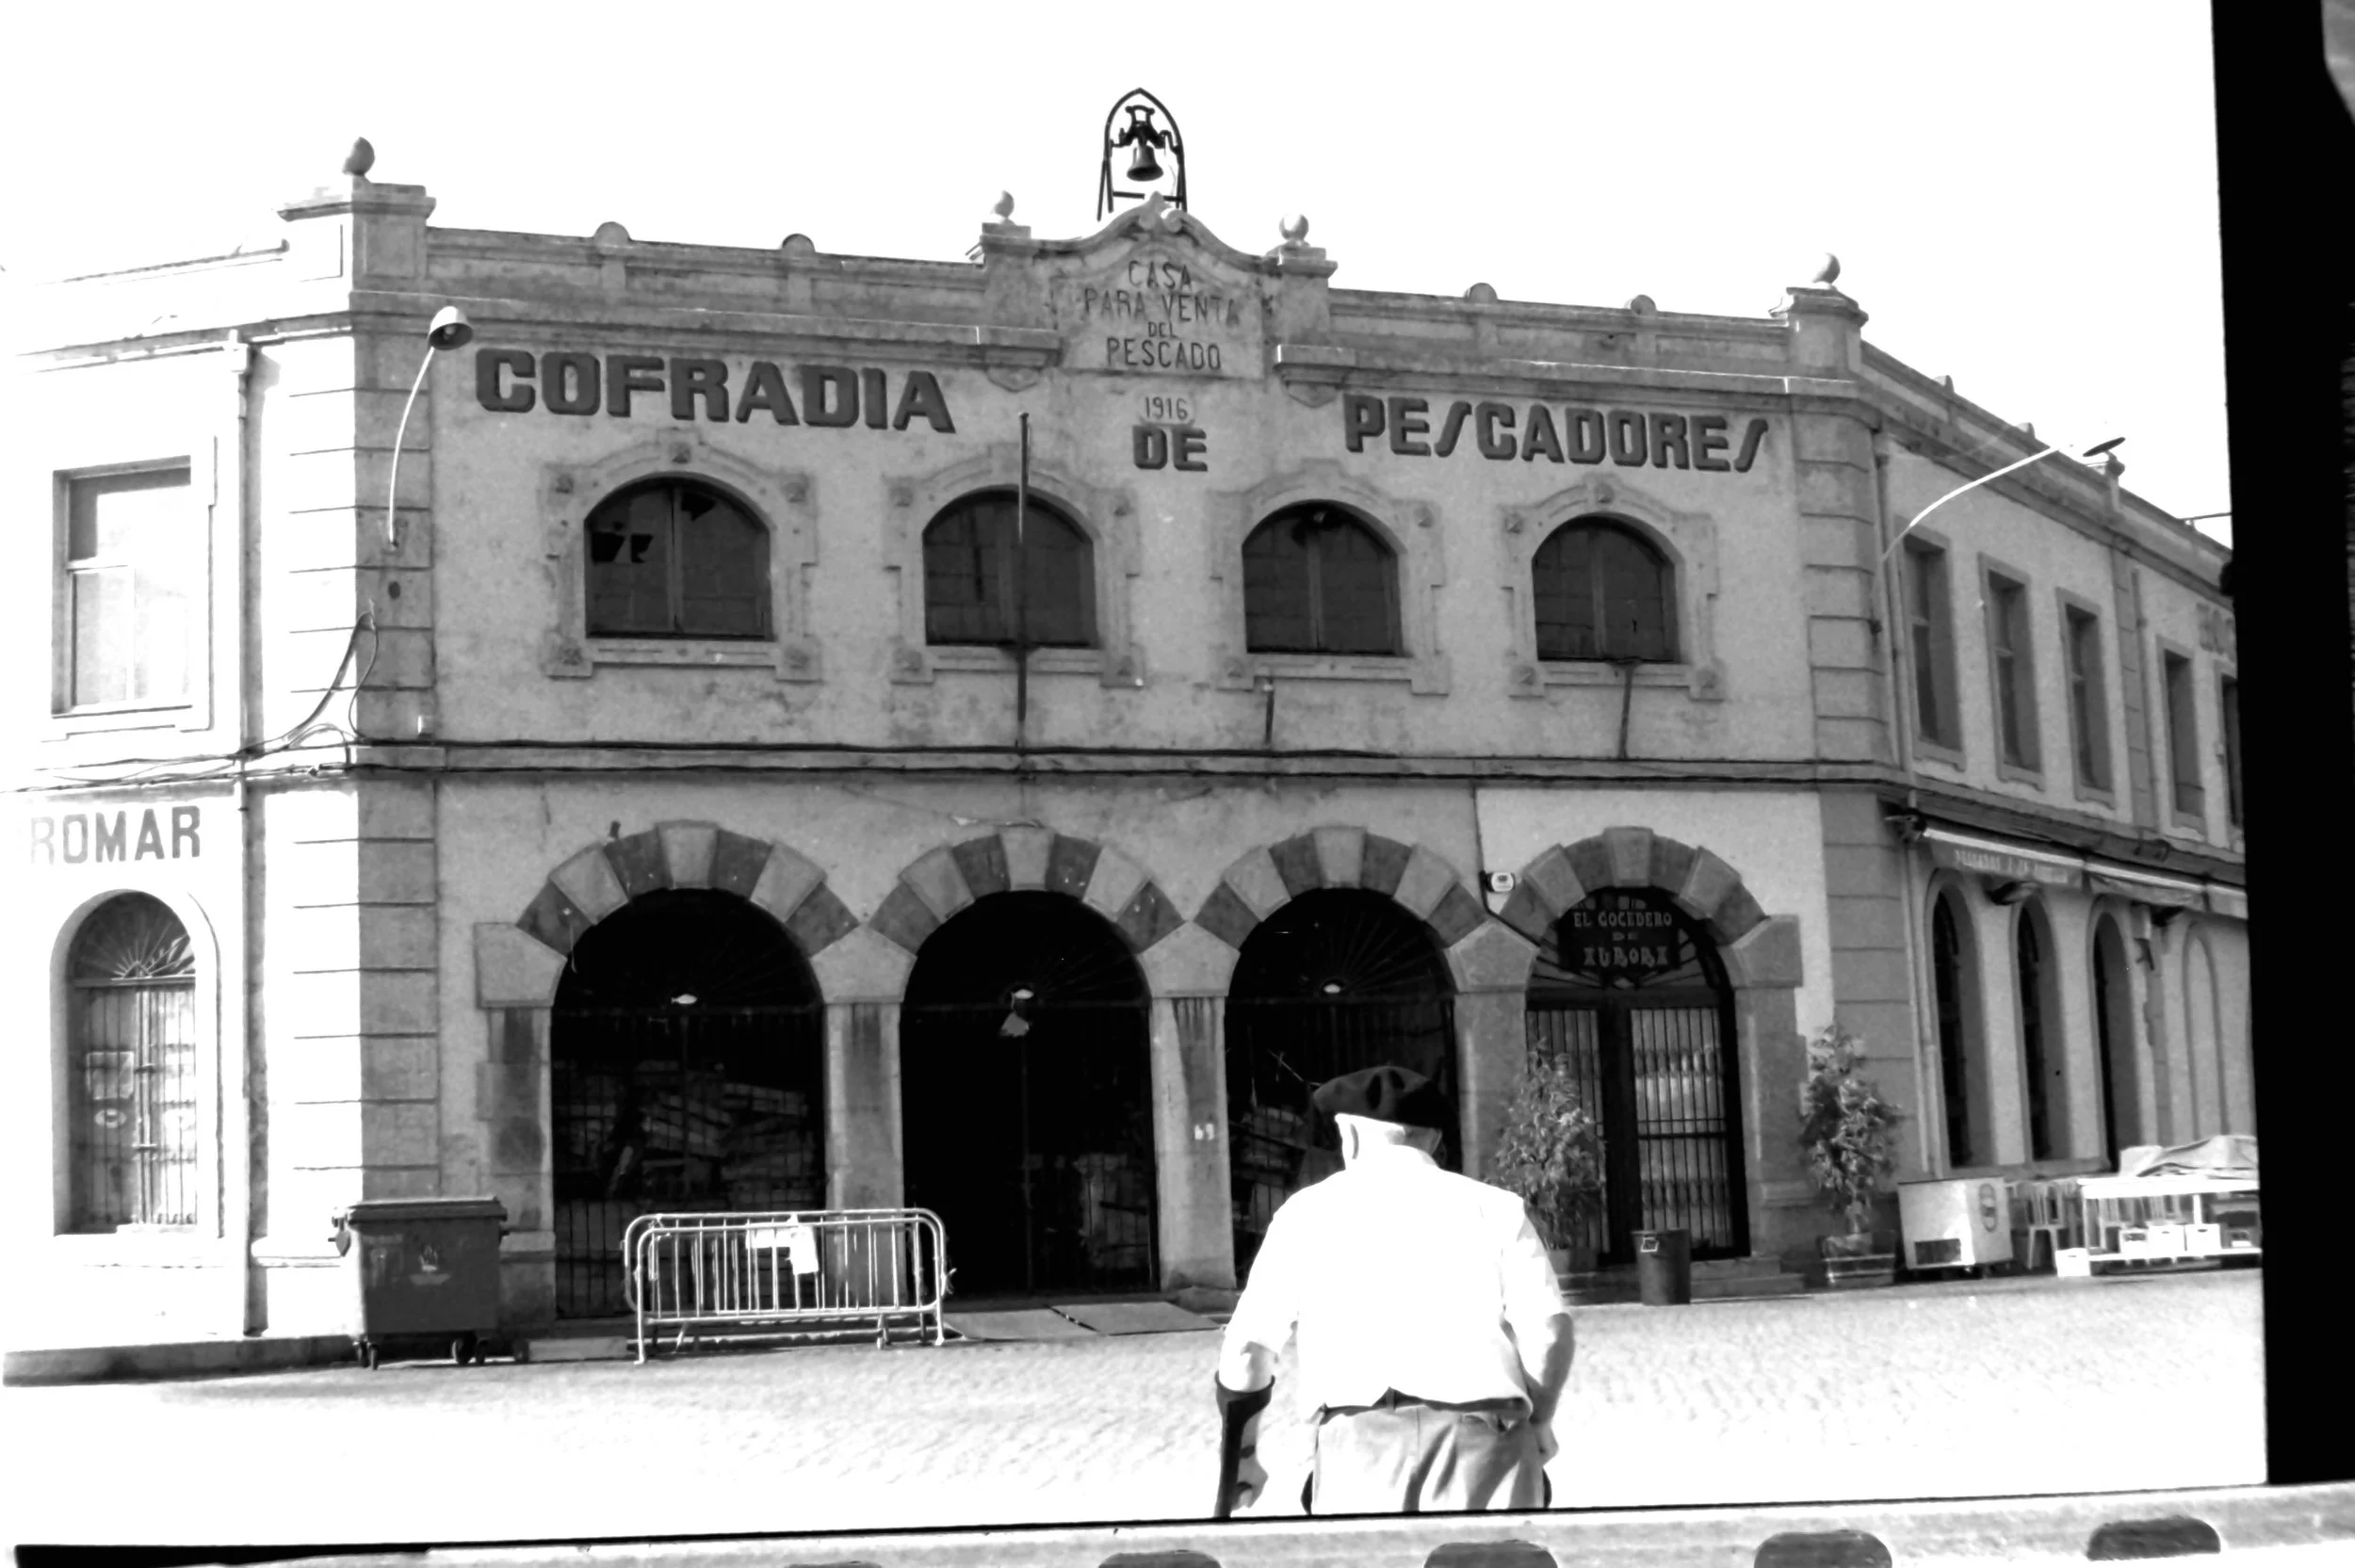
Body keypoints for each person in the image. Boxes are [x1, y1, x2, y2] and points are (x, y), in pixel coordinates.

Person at [1212, 1064, 1576, 1515]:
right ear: (1435, 1141)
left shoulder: (1305, 1213)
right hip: (1486, 1441)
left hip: (1359, 1444)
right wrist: (1539, 1420)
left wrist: (1242, 1459)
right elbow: (1550, 1332)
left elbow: (1248, 1350)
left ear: (1351, 1136)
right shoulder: (1496, 1208)